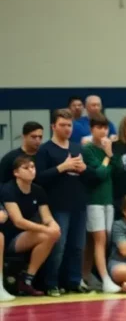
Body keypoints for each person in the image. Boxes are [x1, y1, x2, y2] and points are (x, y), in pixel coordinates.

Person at [34, 108, 90, 294]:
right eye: (63, 125)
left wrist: (84, 169)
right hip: (57, 205)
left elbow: (87, 178)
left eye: (69, 125)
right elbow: (39, 178)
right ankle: (51, 283)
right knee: (59, 246)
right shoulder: (45, 150)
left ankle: (73, 280)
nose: (67, 128)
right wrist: (62, 167)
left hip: (78, 203)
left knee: (77, 246)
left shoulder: (77, 147)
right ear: (53, 126)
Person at [0, 156, 60, 297]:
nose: (31, 171)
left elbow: (46, 217)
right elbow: (18, 221)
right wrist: (46, 229)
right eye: (26, 168)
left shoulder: (38, 190)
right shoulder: (9, 189)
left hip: (27, 234)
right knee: (47, 233)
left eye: (33, 167)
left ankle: (27, 279)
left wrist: (54, 225)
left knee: (53, 234)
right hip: (10, 236)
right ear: (16, 173)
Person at [81, 117, 126, 292]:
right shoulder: (88, 150)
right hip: (94, 201)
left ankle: (86, 275)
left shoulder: (109, 149)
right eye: (99, 127)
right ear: (92, 129)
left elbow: (118, 170)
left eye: (105, 128)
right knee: (99, 239)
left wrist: (110, 155)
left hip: (108, 200)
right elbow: (99, 173)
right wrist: (108, 156)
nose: (103, 132)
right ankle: (106, 279)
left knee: (98, 241)